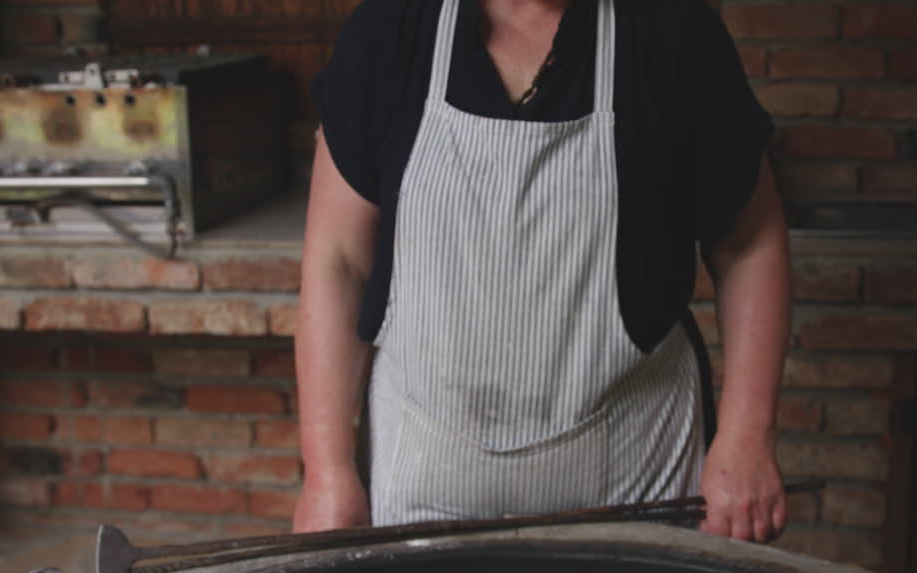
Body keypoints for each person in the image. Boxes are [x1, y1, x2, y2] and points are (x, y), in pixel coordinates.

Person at [293, 0, 792, 542]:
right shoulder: (391, 31)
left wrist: (747, 436)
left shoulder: (671, 32)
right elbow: (337, 262)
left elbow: (749, 245)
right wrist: (326, 470)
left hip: (634, 479)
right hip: (423, 476)